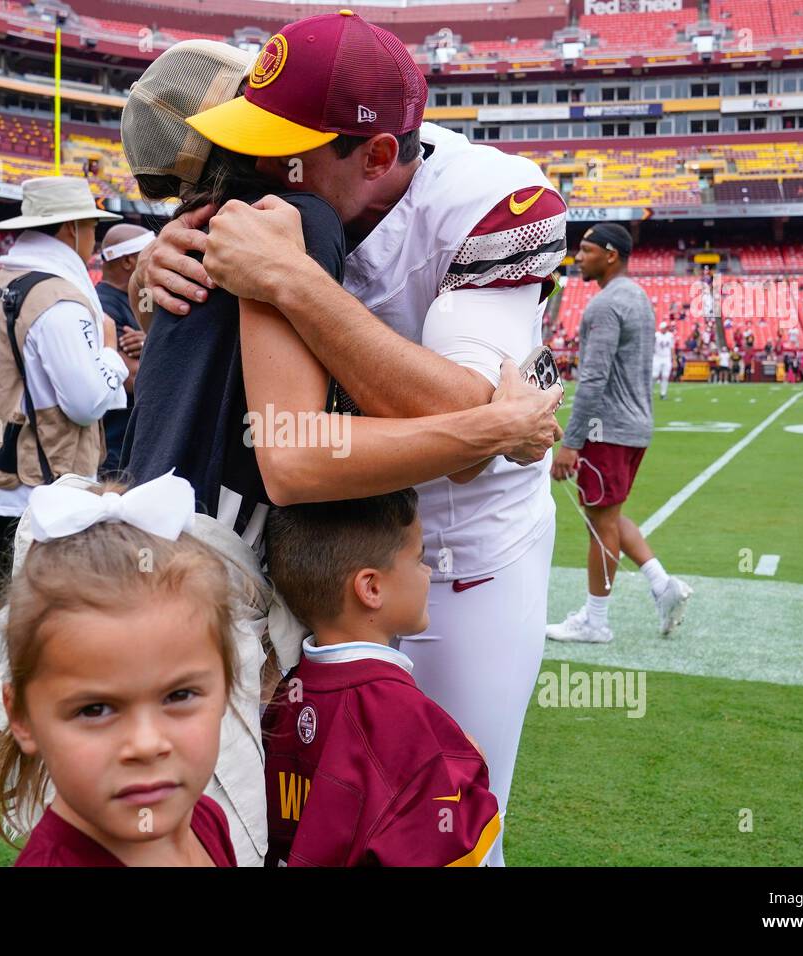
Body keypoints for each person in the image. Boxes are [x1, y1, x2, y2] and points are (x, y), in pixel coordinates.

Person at [141, 15, 568, 866]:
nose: (265, 166)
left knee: (445, 817)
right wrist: (171, 254)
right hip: (319, 543)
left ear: (377, 157)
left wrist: (293, 283)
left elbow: (463, 419)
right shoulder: (285, 200)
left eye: (288, 148)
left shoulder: (495, 202)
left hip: (460, 549)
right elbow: (463, 424)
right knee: (302, 815)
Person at [0, 474, 236, 866]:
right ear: (22, 717)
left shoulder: (205, 819)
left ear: (226, 686)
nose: (146, 744)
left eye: (180, 695)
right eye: (94, 709)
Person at [0, 175, 129, 755]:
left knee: (13, 599)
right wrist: (113, 359)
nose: (93, 237)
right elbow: (86, 398)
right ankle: (3, 718)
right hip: (40, 478)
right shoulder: (56, 296)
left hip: (2, 471)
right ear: (72, 229)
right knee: (38, 605)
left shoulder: (2, 279)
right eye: (90, 225)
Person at [262, 490, 501, 866]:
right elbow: (453, 845)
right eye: (419, 558)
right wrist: (468, 765)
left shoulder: (285, 695)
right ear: (371, 588)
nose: (429, 571)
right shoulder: (408, 718)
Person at [546, 224, 692, 644]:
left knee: (599, 524)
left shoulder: (605, 306)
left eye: (587, 249)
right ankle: (663, 585)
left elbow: (593, 379)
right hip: (634, 426)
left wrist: (571, 442)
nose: (578, 256)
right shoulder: (638, 297)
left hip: (606, 428)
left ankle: (596, 621)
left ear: (611, 254)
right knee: (606, 516)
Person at [93, 224, 152, 476]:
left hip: (131, 437)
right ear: (129, 261)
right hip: (114, 444)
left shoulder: (137, 297)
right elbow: (131, 378)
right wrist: (157, 347)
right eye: (148, 252)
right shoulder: (102, 305)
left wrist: (148, 342)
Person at [653, 319, 674, 399]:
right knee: (654, 376)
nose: (666, 329)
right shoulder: (656, 335)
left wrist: (674, 359)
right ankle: (649, 392)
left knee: (665, 376)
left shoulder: (670, 335)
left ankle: (663, 394)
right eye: (664, 327)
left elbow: (672, 348)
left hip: (667, 357)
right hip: (657, 357)